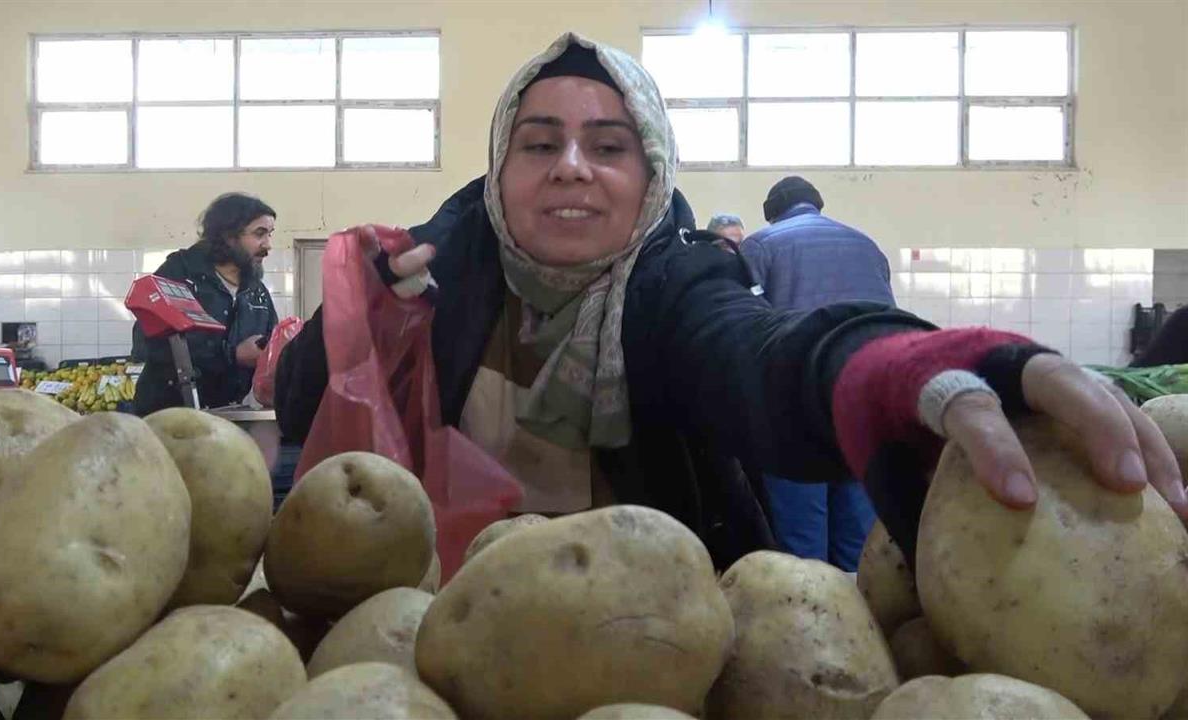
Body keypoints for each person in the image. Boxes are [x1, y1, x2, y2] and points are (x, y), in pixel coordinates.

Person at [276, 34, 1186, 571]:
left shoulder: (670, 284)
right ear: (499, 171)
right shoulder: (443, 276)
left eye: (609, 145)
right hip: (445, 631)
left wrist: (906, 367)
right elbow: (306, 411)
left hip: (660, 632)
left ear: (652, 174)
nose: (571, 167)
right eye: (539, 143)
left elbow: (758, 352)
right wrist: (361, 320)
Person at [738, 176, 895, 570]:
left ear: (772, 213)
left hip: (795, 404)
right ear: (818, 206)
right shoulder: (867, 246)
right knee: (858, 534)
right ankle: (855, 619)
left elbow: (743, 329)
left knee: (801, 535)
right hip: (863, 400)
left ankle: (810, 618)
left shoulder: (762, 244)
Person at [132, 192, 278, 415]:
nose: (268, 245)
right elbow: (147, 343)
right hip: (168, 418)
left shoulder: (256, 292)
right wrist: (233, 355)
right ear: (229, 235)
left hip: (226, 416)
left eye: (270, 234)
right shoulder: (180, 273)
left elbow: (272, 345)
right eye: (260, 234)